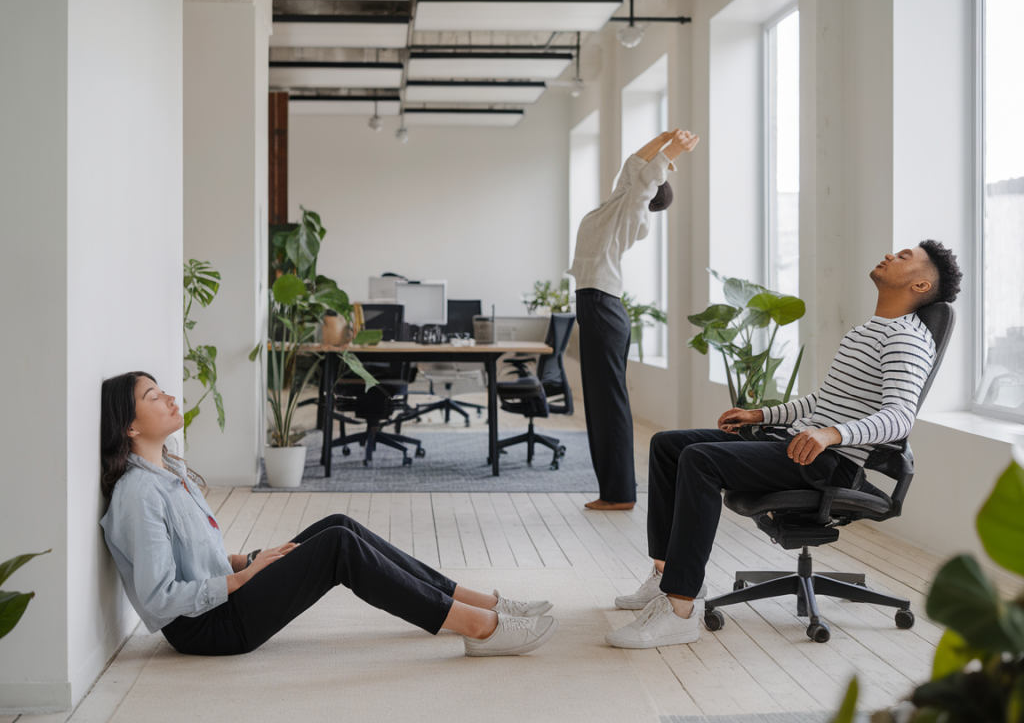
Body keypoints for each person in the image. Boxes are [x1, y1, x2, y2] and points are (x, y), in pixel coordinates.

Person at [605, 240, 962, 649]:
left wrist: (831, 434)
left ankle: (680, 609)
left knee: (700, 459)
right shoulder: (869, 330)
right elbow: (822, 403)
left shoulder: (907, 339)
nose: (890, 254)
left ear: (919, 285)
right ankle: (665, 573)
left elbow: (901, 417)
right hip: (799, 444)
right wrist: (761, 415)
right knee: (669, 445)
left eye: (904, 257)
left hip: (829, 461)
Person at [99, 371, 557, 657]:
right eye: (154, 396)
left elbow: (195, 555)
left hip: (223, 598)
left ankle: (482, 602)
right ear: (130, 425)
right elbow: (160, 598)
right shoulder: (138, 493)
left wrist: (247, 561)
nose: (170, 399)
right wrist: (241, 579)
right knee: (338, 549)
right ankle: (479, 627)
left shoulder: (168, 470)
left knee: (339, 525)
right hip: (209, 628)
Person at [568, 129, 701, 512]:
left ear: (647, 197)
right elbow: (634, 168)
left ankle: (619, 493)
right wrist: (662, 136)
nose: (634, 181)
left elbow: (645, 178)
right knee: (601, 401)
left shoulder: (630, 212)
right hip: (597, 305)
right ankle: (614, 490)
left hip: (601, 305)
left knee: (608, 403)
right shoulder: (614, 205)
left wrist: (675, 150)